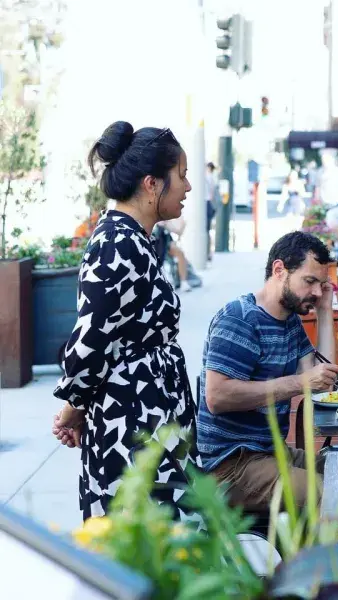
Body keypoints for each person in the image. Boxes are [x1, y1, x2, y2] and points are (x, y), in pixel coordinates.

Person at [51, 121, 199, 521]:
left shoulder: (133, 239)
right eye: (181, 177)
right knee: (145, 543)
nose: (188, 187)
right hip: (133, 422)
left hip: (146, 415)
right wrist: (72, 407)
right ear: (152, 184)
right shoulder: (118, 243)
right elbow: (91, 338)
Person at [198, 232, 338, 512]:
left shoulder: (289, 320)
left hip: (269, 452)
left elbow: (323, 381)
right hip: (231, 465)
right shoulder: (239, 319)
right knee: (335, 494)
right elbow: (217, 397)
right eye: (310, 281)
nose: (315, 291)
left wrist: (325, 310)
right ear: (279, 270)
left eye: (321, 284)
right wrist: (299, 383)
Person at [206, 162, 217, 260]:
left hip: (206, 204)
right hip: (210, 204)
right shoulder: (213, 178)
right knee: (208, 230)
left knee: (206, 230)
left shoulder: (207, 177)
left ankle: (208, 252)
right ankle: (209, 252)